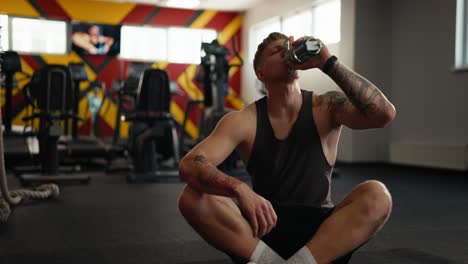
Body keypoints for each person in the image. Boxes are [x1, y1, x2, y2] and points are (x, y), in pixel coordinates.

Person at [178, 32, 396, 264]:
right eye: (276, 51)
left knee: (378, 194)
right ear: (261, 72)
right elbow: (190, 164)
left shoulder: (326, 106)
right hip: (262, 228)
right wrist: (239, 189)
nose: (286, 53)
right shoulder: (243, 120)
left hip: (320, 239)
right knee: (191, 197)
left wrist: (327, 62)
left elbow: (383, 114)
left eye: (287, 48)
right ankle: (269, 261)